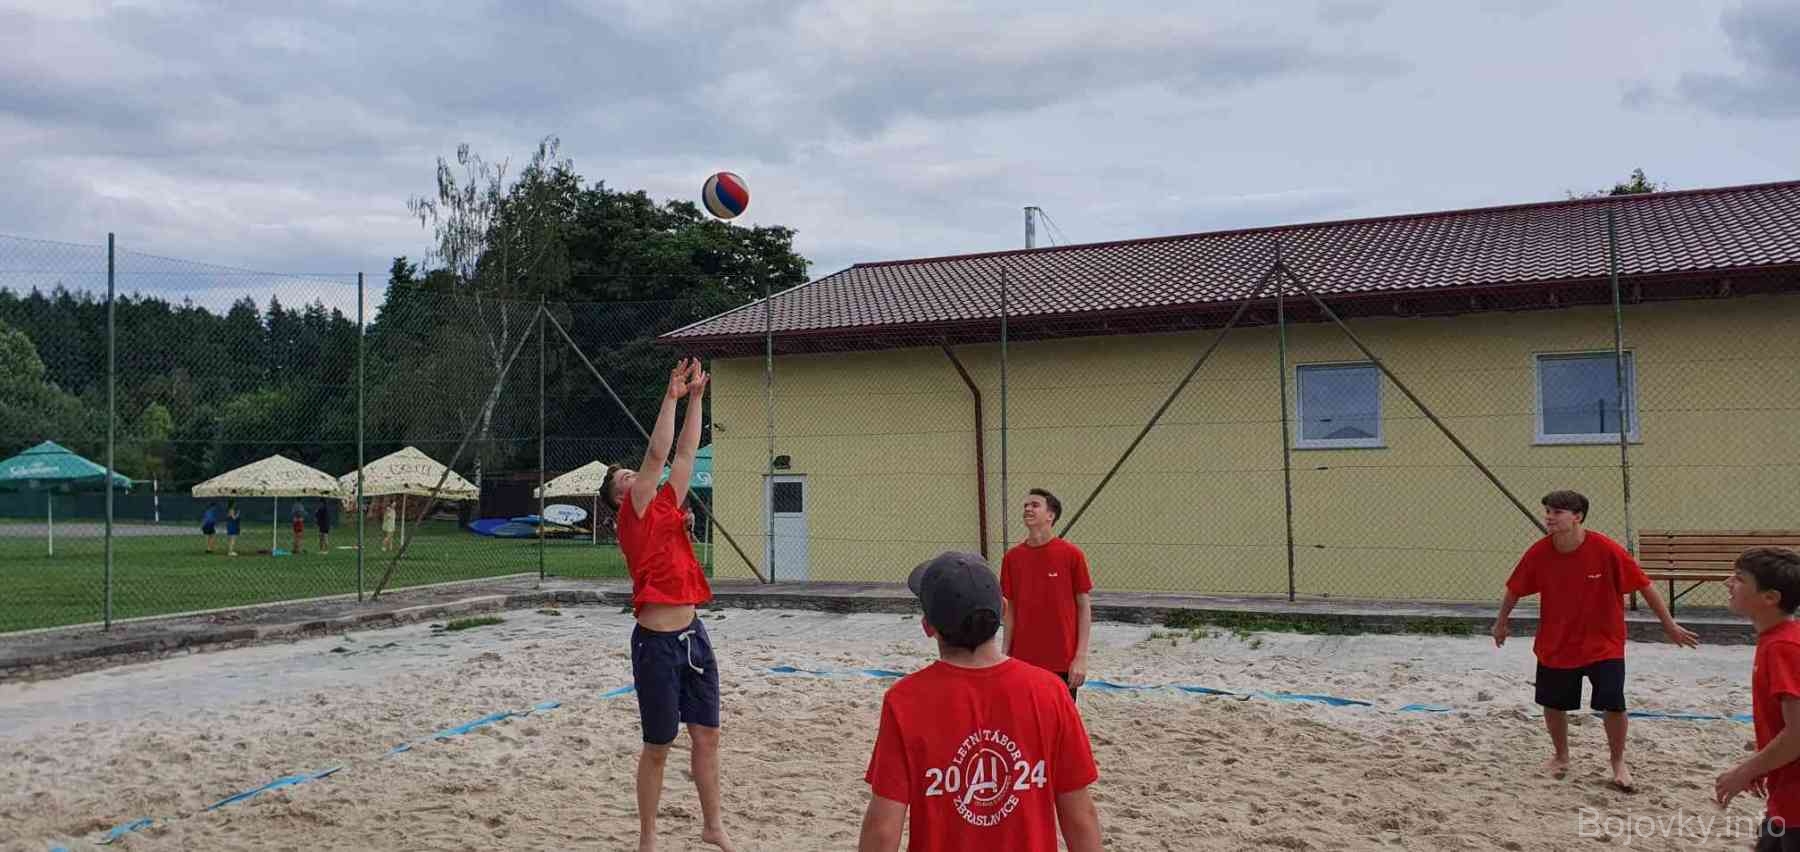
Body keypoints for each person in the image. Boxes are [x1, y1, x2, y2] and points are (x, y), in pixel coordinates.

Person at [859, 551, 1103, 852]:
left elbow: (883, 828)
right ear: (1002, 610)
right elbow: (1081, 818)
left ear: (928, 626)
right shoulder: (1050, 692)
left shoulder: (905, 700)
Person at [600, 358, 733, 852]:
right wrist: (671, 396)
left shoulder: (667, 505)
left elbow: (685, 453)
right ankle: (648, 837)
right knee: (658, 745)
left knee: (707, 736)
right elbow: (658, 453)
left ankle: (713, 825)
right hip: (656, 644)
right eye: (623, 478)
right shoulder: (633, 515)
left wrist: (697, 399)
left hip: (693, 636)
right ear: (619, 499)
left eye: (629, 473)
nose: (631, 476)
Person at [1492, 490, 1699, 791]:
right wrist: (1501, 622)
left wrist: (1669, 625)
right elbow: (1514, 588)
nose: (1549, 517)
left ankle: (1618, 762)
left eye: (1557, 512)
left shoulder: (1606, 549)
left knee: (1613, 704)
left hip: (1604, 643)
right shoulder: (1539, 552)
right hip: (1557, 642)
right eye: (1548, 511)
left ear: (1577, 516)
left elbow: (1645, 585)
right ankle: (1561, 756)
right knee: (1553, 703)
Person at [1715, 547, 1800, 850]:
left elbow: (1797, 735)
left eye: (1739, 578)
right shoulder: (1776, 639)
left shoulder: (1784, 648)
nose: (1728, 582)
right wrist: (1762, 762)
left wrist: (1744, 772)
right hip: (1784, 795)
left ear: (1770, 597)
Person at [1001, 488, 1094, 699]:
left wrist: (1080, 657)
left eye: (1035, 505)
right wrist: (1004, 654)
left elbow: (1084, 607)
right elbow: (1010, 610)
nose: (1027, 508)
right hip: (1022, 661)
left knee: (1060, 718)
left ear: (1050, 515)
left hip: (1062, 661)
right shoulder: (1012, 558)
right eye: (1025, 505)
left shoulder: (1072, 555)